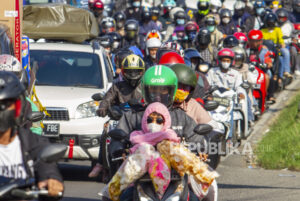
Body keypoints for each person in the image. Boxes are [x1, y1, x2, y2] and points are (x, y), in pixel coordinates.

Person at [102, 102, 218, 201]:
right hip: (140, 183)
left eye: (159, 120)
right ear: (144, 121)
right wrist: (122, 153)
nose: (154, 123)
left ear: (166, 121)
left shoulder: (173, 138)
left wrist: (199, 153)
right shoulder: (136, 136)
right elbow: (120, 145)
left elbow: (194, 146)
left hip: (175, 183)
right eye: (149, 119)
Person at [0, 71, 63, 197]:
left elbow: (47, 167)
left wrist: (52, 181)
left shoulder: (31, 141)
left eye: (5, 105)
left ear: (18, 107)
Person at [88, 54, 145, 178]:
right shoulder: (117, 85)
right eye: (130, 71)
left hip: (140, 120)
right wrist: (102, 108)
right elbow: (107, 98)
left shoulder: (146, 86)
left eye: (136, 71)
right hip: (119, 119)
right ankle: (100, 164)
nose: (133, 75)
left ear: (142, 72)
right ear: (124, 72)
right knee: (106, 130)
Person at [261, 12, 292, 85]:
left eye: (272, 22)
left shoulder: (277, 30)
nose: (271, 24)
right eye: (269, 22)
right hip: (266, 50)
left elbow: (281, 41)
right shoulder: (262, 31)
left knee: (284, 54)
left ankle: (283, 74)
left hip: (276, 49)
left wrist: (282, 44)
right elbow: (260, 41)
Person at [246, 29, 276, 103]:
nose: (254, 43)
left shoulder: (264, 50)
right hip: (248, 71)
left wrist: (268, 63)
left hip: (261, 71)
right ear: (249, 41)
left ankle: (268, 95)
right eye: (252, 41)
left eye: (257, 41)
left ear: (261, 41)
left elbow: (268, 59)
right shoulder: (245, 50)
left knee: (268, 75)